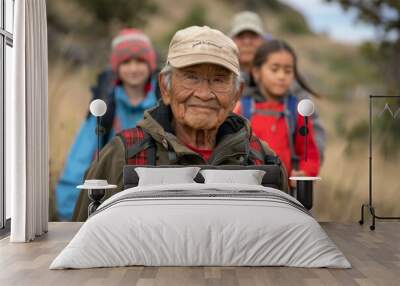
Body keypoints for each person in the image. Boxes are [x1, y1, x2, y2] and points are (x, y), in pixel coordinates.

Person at [72, 25, 289, 222]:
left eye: (219, 80)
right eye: (191, 77)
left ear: (236, 94)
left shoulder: (263, 158)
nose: (204, 94)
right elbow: (82, 239)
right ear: (165, 88)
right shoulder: (124, 154)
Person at [55, 28, 158, 221]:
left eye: (140, 61)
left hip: (154, 204)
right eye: (126, 62)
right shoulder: (104, 108)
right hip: (109, 206)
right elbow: (78, 163)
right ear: (116, 67)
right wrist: (70, 216)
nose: (134, 68)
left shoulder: (164, 104)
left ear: (150, 64)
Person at [229, 11, 326, 162]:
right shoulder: (225, 79)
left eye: (253, 36)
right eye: (241, 37)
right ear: (232, 42)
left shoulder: (288, 83)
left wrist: (307, 170)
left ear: (263, 41)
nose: (247, 42)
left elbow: (312, 128)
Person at [239, 39, 320, 187]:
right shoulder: (241, 109)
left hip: (285, 197)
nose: (282, 76)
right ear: (256, 72)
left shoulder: (298, 112)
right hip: (247, 192)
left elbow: (310, 155)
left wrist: (304, 173)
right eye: (274, 69)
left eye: (288, 71)